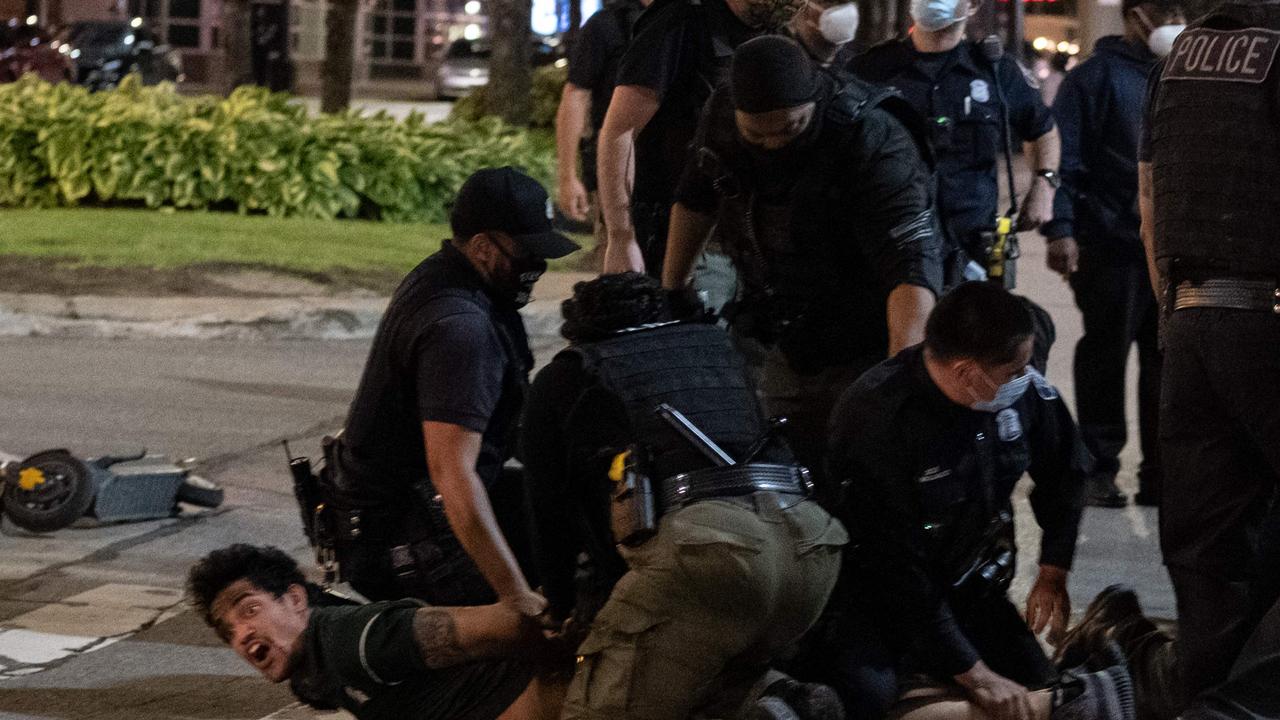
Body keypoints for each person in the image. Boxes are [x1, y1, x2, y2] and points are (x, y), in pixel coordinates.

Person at [519, 273, 848, 720]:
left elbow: (548, 513)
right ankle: (774, 700)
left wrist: (559, 609)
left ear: (577, 331)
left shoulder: (567, 375)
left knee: (597, 705)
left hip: (707, 556)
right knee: (703, 663)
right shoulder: (716, 347)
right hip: (810, 546)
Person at [662, 35, 942, 483]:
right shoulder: (721, 116)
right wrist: (673, 290)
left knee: (869, 469)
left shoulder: (873, 138)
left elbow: (911, 266)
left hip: (871, 328)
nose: (773, 144)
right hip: (788, 327)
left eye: (790, 129)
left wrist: (896, 384)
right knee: (788, 474)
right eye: (758, 133)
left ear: (814, 100)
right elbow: (696, 199)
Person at [817, 282, 1100, 719]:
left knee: (1042, 689)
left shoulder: (1020, 393)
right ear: (968, 371)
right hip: (876, 596)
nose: (1025, 380)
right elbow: (897, 570)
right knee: (867, 699)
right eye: (1014, 371)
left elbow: (1067, 471)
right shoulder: (877, 421)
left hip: (967, 585)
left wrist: (1052, 569)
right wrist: (977, 675)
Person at [329, 167, 578, 616]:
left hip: (390, 515)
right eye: (527, 253)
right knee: (563, 599)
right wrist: (515, 595)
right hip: (405, 539)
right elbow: (453, 476)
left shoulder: (447, 275)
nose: (538, 268)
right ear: (482, 246)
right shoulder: (461, 328)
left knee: (569, 506)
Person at [1138, 0, 1280, 705]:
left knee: (1205, 564)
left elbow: (1149, 204)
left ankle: (1206, 702)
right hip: (1267, 320)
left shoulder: (1182, 60)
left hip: (1191, 326)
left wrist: (1173, 318)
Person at [1040, 0, 1185, 509]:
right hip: (1111, 246)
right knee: (1105, 355)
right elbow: (1065, 158)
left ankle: (1161, 476)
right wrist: (1060, 229)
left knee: (1167, 364)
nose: (1175, 21)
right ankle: (1099, 468)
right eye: (1166, 12)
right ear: (1135, 16)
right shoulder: (1093, 80)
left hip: (1171, 250)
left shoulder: (1183, 73)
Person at [187, 544, 564, 720]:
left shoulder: (356, 643)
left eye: (249, 609)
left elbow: (517, 624)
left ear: (295, 599)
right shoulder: (312, 674)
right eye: (228, 632)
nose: (242, 634)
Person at [849, 0, 1061, 288]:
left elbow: (1042, 129)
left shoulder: (997, 71)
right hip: (893, 244)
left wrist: (1044, 185)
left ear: (972, 5)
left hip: (972, 247)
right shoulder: (872, 69)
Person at [595, 0, 803, 275]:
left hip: (741, 236)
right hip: (676, 233)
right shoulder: (683, 19)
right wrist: (622, 239)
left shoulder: (772, 32)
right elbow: (619, 130)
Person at [554, 0, 648, 251]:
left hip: (676, 166)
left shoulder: (691, 21)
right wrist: (568, 177)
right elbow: (575, 95)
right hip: (616, 169)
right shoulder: (607, 25)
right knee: (619, 258)